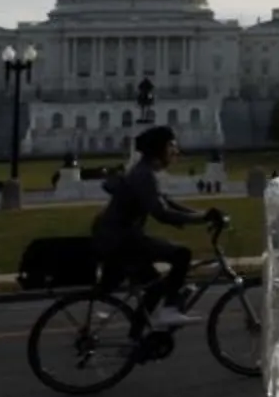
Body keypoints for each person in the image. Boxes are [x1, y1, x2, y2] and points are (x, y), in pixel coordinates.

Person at [90, 127, 223, 328]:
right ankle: (170, 310)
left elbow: (167, 202)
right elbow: (161, 212)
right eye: (172, 146)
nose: (175, 152)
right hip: (122, 240)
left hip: (117, 237)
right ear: (159, 149)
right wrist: (200, 219)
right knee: (182, 255)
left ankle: (135, 339)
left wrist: (203, 215)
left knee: (156, 286)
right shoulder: (145, 175)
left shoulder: (143, 171)